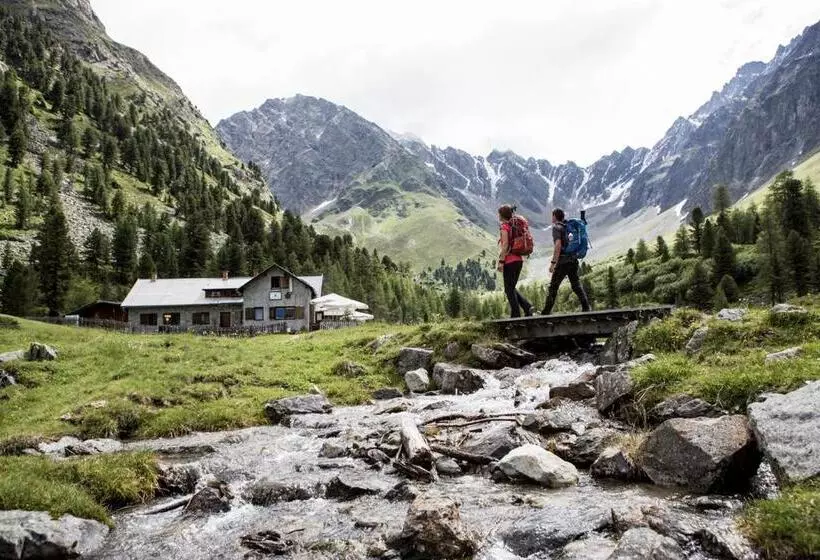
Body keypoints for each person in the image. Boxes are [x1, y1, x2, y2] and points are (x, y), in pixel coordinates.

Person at [541, 208, 591, 315]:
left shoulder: (557, 228)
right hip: (573, 260)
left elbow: (558, 246)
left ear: (554, 216)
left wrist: (553, 263)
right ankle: (586, 307)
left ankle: (545, 312)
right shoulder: (568, 227)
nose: (552, 218)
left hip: (563, 261)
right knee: (576, 284)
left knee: (553, 287)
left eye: (552, 216)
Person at [497, 205, 533, 318]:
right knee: (511, 288)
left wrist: (501, 261)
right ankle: (527, 307)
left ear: (502, 215)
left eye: (499, 214)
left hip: (509, 262)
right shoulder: (513, 226)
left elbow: (505, 245)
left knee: (508, 289)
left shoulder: (505, 227)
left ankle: (516, 314)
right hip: (518, 260)